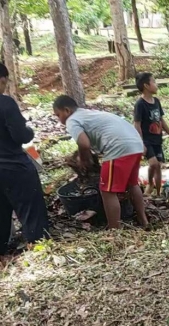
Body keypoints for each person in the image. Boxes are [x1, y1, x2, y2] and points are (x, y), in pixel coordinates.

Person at [53, 95, 148, 230]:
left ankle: (114, 229)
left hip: (118, 148)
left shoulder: (72, 120)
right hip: (136, 145)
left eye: (58, 115)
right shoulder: (89, 114)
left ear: (66, 110)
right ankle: (143, 220)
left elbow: (84, 144)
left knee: (107, 191)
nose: (60, 120)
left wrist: (84, 159)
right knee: (132, 184)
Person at [0, 62, 49, 255]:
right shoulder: (5, 103)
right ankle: (39, 249)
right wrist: (29, 130)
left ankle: (3, 252)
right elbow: (21, 136)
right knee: (31, 209)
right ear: (2, 79)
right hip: (13, 166)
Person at [133, 72, 169, 197]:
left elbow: (161, 120)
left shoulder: (156, 101)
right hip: (147, 140)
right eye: (154, 82)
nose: (156, 85)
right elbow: (137, 124)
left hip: (157, 139)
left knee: (157, 167)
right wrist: (141, 143)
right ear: (146, 85)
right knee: (154, 164)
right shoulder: (140, 104)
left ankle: (157, 193)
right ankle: (150, 184)